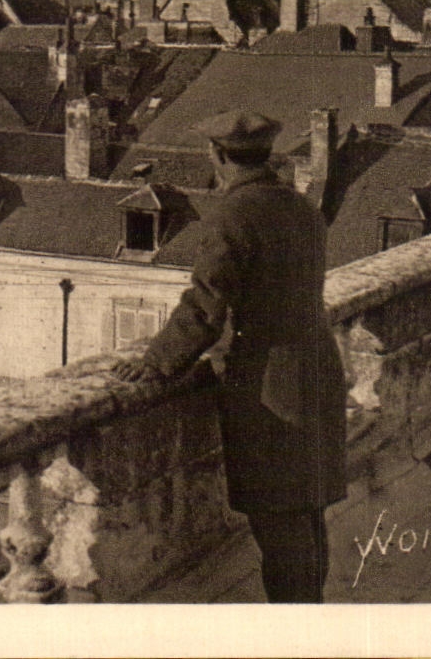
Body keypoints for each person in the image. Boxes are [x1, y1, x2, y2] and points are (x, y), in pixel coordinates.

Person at [112, 110, 347, 603]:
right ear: (267, 155)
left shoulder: (230, 215)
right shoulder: (303, 208)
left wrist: (157, 361)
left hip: (271, 389)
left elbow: (204, 306)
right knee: (309, 516)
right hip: (319, 370)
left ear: (218, 156)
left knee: (279, 526)